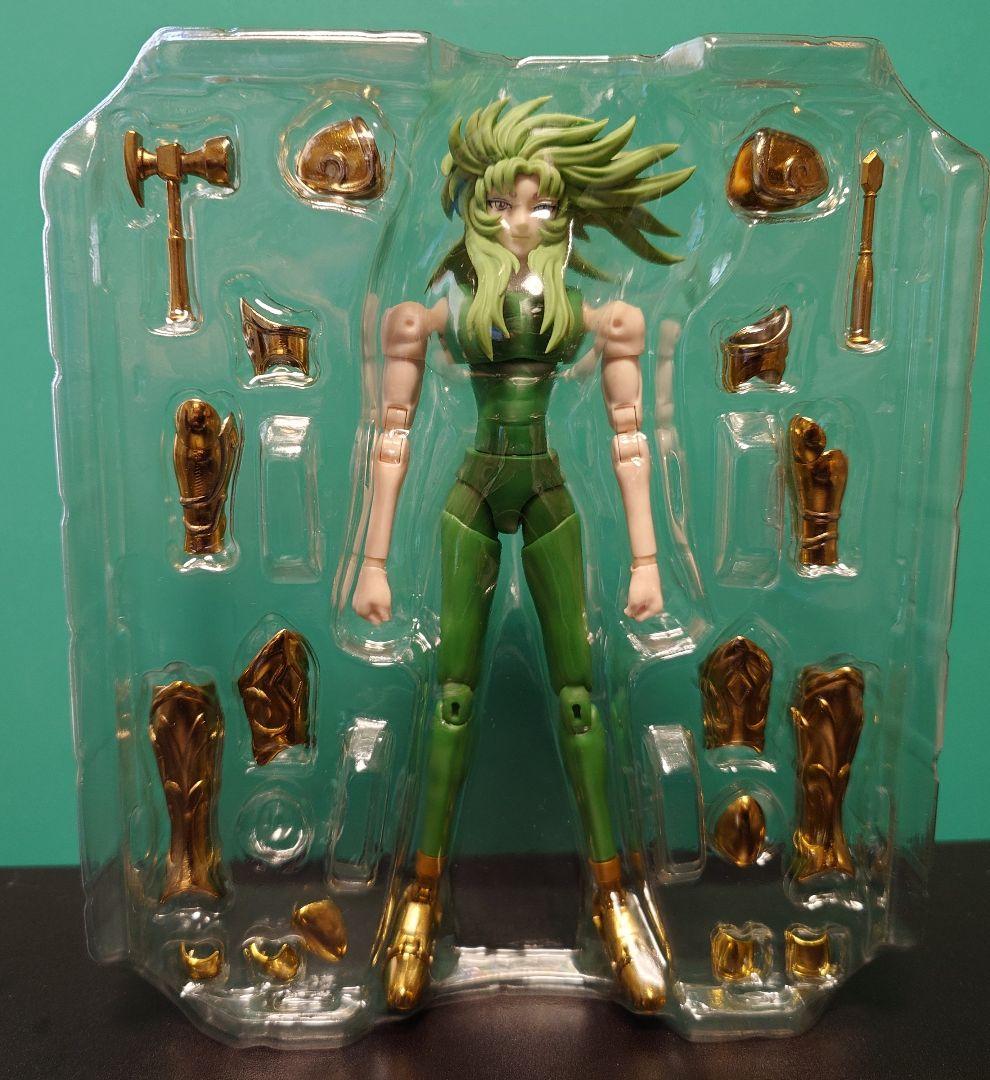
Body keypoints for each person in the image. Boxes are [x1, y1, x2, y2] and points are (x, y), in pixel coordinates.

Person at [351, 95, 694, 1011]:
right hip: (472, 492)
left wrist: (649, 561)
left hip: (545, 490)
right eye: (501, 203)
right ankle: (419, 898)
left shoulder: (601, 319)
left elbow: (632, 440)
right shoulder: (434, 313)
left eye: (541, 205)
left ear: (567, 214)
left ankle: (614, 898)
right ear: (475, 205)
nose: (520, 221)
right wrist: (373, 560)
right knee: (452, 695)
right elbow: (392, 435)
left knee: (581, 696)